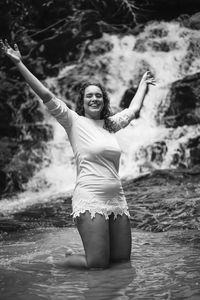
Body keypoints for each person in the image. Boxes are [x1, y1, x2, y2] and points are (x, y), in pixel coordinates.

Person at [0, 39, 156, 269]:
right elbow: (45, 94)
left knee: (122, 262)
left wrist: (143, 83)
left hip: (117, 198)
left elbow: (133, 110)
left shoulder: (110, 124)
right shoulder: (73, 121)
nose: (94, 99)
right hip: (90, 199)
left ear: (104, 101)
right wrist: (19, 63)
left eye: (98, 96)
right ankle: (63, 261)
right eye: (89, 96)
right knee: (97, 265)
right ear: (83, 102)